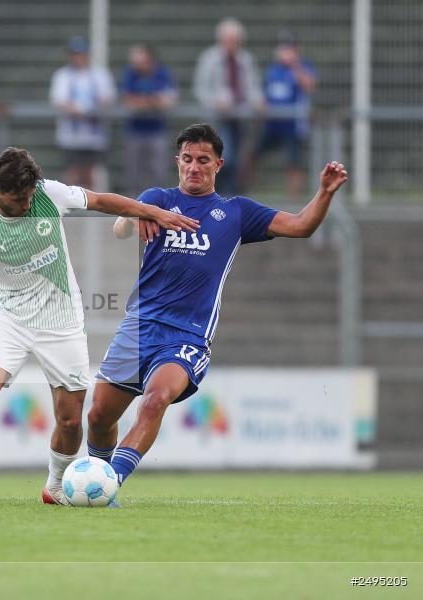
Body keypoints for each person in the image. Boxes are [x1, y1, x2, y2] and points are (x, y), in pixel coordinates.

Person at [0, 147, 199, 506]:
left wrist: (153, 212)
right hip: (11, 320)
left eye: (30, 195)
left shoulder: (47, 193)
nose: (27, 203)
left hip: (63, 324)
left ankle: (54, 486)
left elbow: (100, 201)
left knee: (70, 422)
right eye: (19, 198)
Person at [87, 123, 347, 493]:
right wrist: (138, 215)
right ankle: (91, 480)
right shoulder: (156, 199)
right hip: (139, 328)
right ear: (177, 161)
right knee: (98, 416)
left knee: (156, 399)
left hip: (187, 335)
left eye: (203, 160)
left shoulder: (236, 212)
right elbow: (119, 229)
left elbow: (301, 226)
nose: (194, 167)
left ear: (218, 165)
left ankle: (107, 483)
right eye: (188, 159)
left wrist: (323, 192)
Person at [193, 18, 264, 196]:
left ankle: (232, 197)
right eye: (229, 39)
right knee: (225, 158)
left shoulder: (245, 60)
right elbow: (200, 90)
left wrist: (258, 100)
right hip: (218, 120)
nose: (232, 43)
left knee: (240, 161)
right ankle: (218, 194)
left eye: (235, 39)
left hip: (241, 120)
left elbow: (253, 87)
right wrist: (215, 103)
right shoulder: (209, 59)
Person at [242, 33, 317, 200]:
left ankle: (294, 202)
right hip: (272, 124)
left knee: (293, 164)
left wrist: (295, 65)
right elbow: (265, 94)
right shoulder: (273, 70)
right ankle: (241, 192)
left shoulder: (303, 67)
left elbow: (309, 85)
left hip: (293, 126)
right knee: (251, 154)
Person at [49, 36, 116, 191]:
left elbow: (107, 99)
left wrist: (88, 109)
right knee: (72, 172)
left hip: (95, 136)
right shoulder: (62, 75)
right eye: (74, 54)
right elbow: (59, 101)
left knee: (90, 172)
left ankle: (89, 207)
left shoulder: (100, 75)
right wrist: (78, 109)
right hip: (70, 136)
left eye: (81, 54)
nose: (78, 58)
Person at [119, 44, 177, 194]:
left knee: (158, 171)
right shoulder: (131, 74)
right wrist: (153, 101)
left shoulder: (162, 74)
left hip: (157, 131)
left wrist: (144, 101)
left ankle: (157, 206)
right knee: (133, 173)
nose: (137, 66)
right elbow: (127, 100)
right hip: (135, 131)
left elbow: (169, 100)